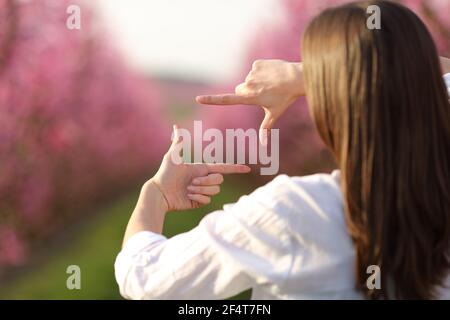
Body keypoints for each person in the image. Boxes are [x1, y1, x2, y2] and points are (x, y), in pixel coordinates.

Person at [114, 1, 450, 299]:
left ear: (328, 107)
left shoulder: (293, 212)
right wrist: (304, 75)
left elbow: (144, 279)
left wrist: (156, 192)